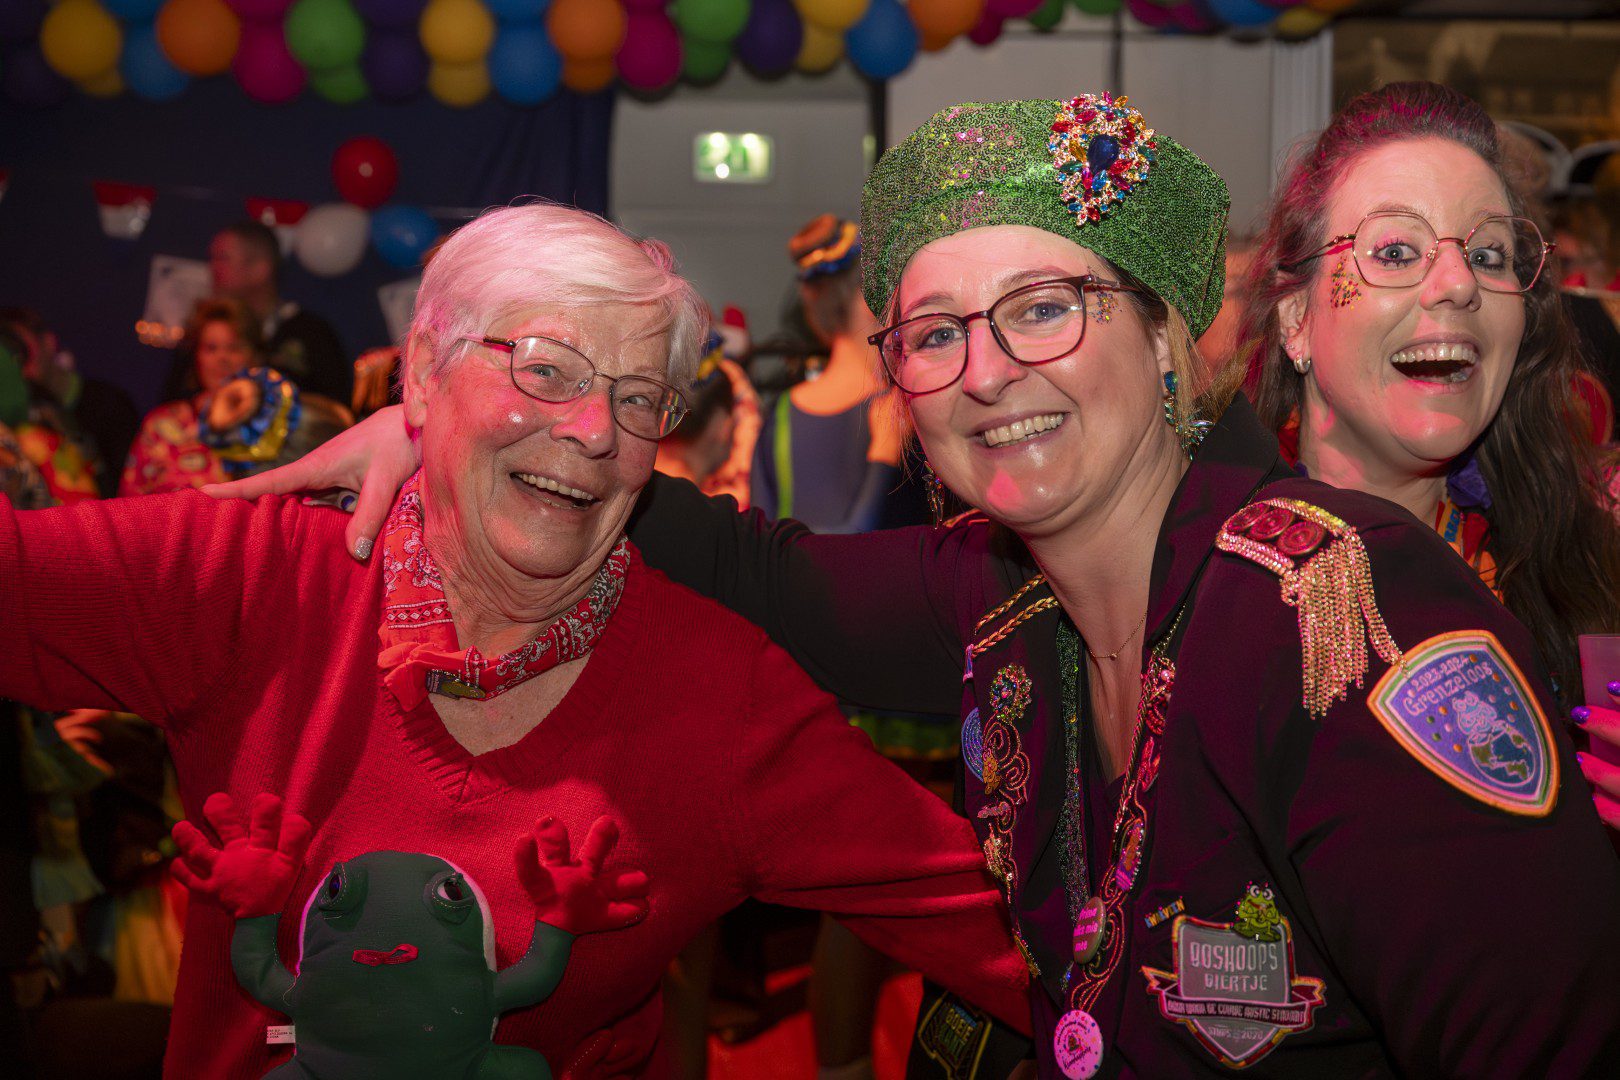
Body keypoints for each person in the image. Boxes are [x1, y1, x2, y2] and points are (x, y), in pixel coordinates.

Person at [244, 95, 1620, 1076]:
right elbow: (744, 566)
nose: (988, 371)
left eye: (1044, 308)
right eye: (934, 333)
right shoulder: (1001, 603)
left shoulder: (1338, 613)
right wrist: (468, 429)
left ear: (1164, 338)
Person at [0, 203, 1028, 1077]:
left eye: (638, 398)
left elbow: (1038, 952)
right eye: (545, 370)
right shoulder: (248, 580)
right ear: (423, 372)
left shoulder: (722, 702)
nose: (595, 430)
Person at [1233, 81, 1620, 826]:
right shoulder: (1203, 581)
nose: (1459, 284)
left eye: (1489, 254)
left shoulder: (1579, 571)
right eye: (1395, 251)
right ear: (1296, 319)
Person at [752, 214, 918, 533]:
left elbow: (759, 539)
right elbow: (859, 537)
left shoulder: (781, 412)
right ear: (869, 297)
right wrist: (883, 457)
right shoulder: (897, 408)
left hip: (788, 565)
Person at [122, 298, 260, 495]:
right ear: (196, 356)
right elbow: (129, 500)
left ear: (254, 356)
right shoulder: (161, 424)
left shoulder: (274, 423)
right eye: (211, 348)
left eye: (234, 348)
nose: (222, 358)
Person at [205, 219, 350, 405]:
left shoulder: (309, 333)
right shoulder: (204, 331)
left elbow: (336, 409)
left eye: (223, 258)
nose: (213, 268)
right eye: (211, 349)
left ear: (260, 269)